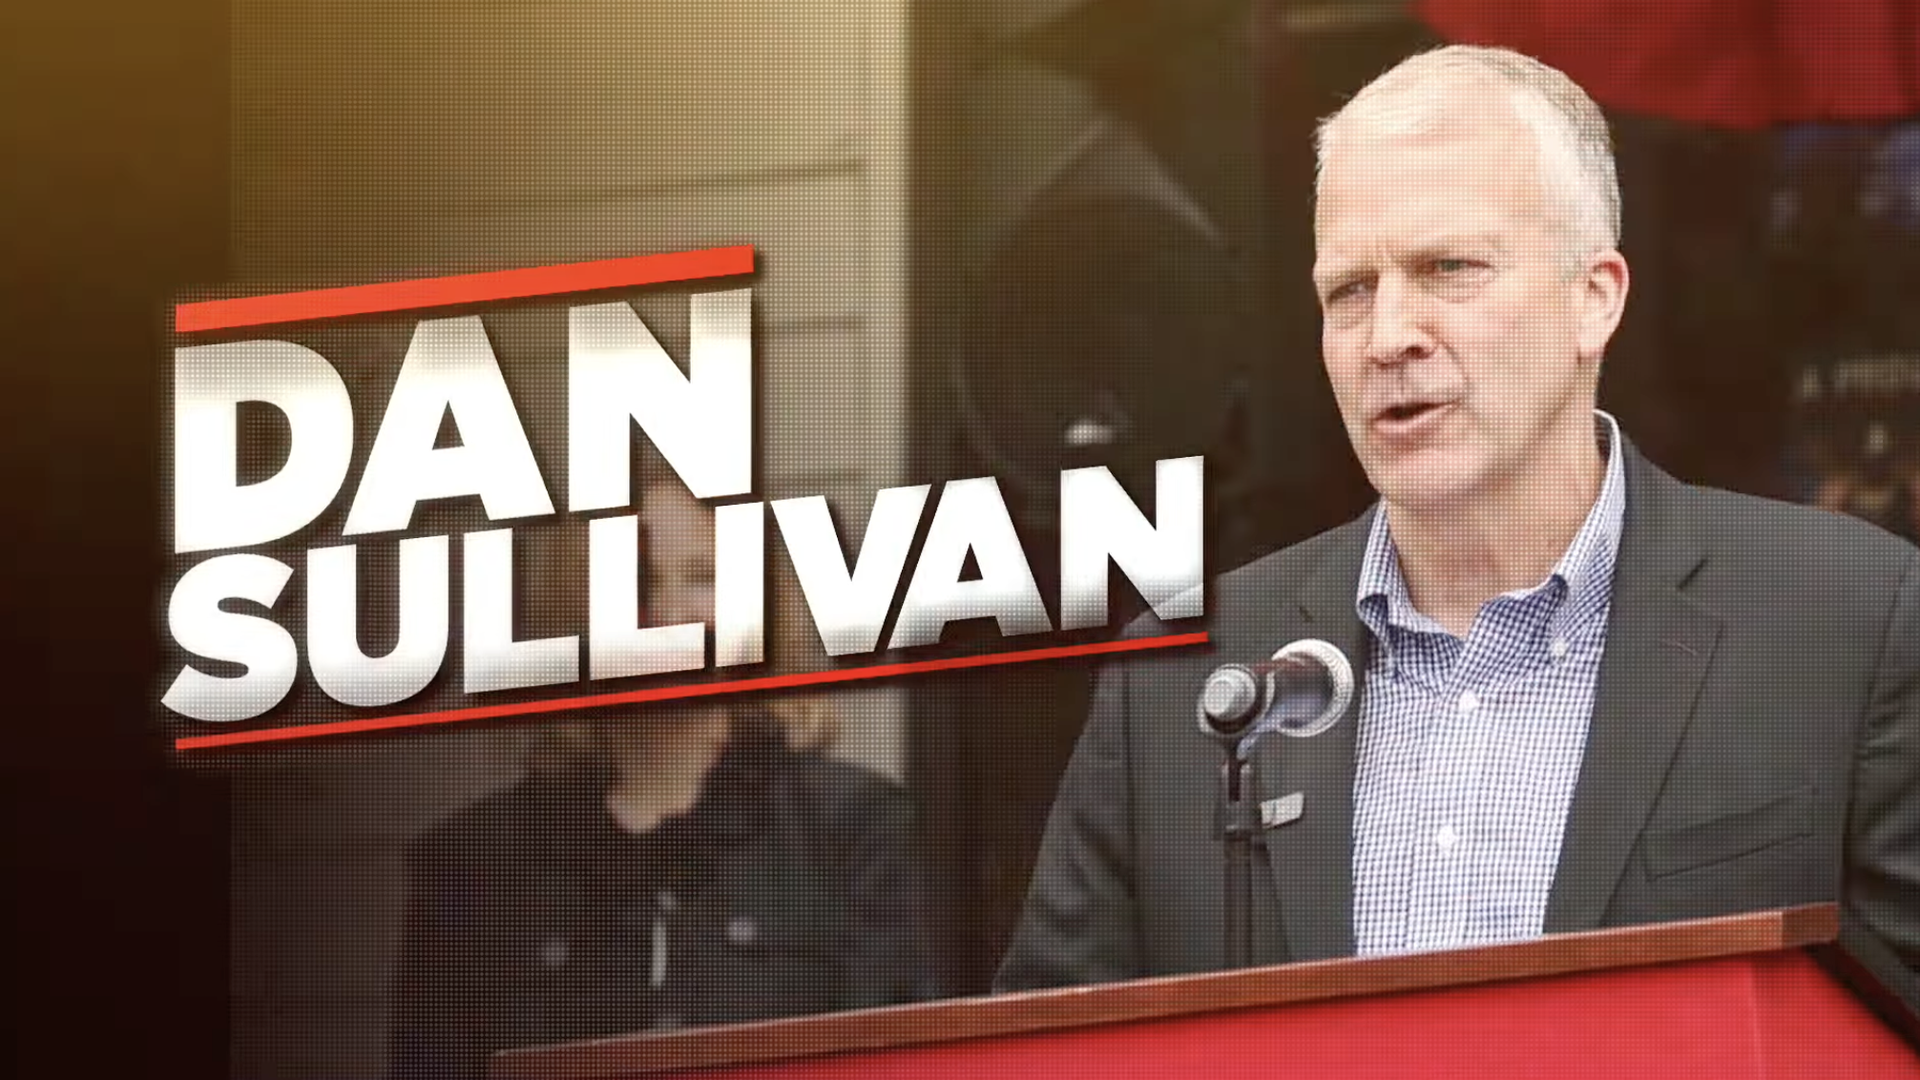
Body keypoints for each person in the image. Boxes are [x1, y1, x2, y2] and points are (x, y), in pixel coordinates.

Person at [996, 44, 1920, 989]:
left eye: (1448, 268)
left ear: (1593, 301)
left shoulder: (1845, 621)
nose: (1389, 336)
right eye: (1351, 291)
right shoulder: (1179, 682)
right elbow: (1050, 1043)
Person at [386, 475, 940, 1080]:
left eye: (704, 578)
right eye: (635, 582)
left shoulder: (854, 827)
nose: (673, 616)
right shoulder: (472, 860)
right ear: (573, 613)